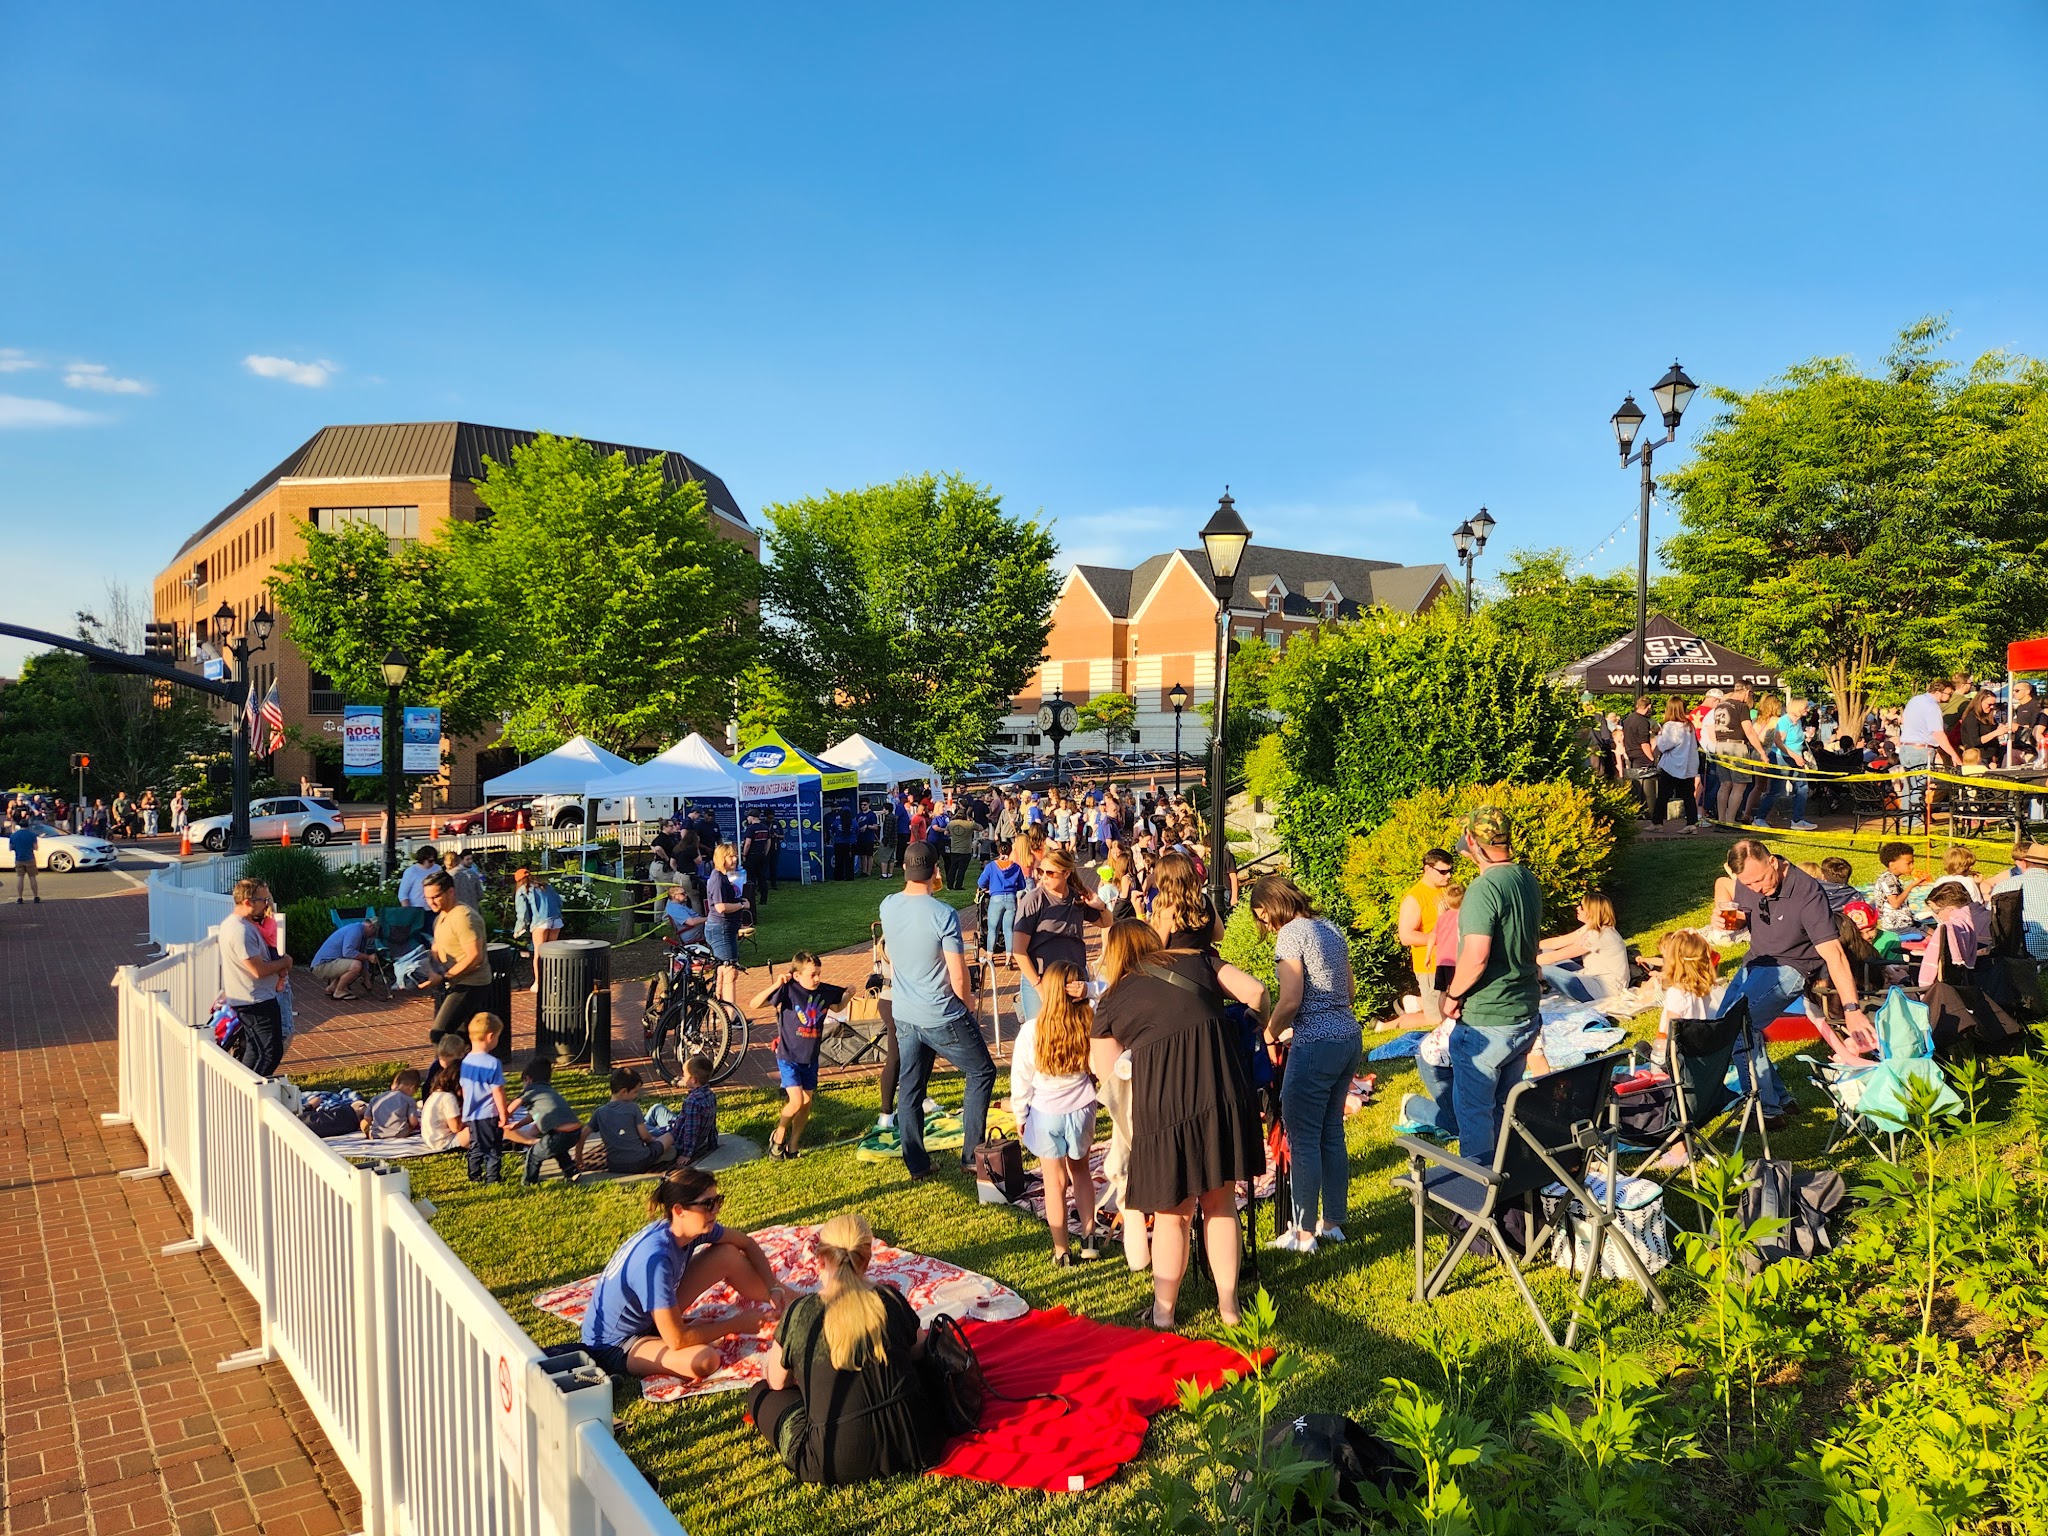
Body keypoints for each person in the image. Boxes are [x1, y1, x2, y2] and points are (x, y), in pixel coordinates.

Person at [1088, 918, 1266, 1330]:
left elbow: (1107, 1073)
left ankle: (1164, 1311)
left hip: (1163, 1110)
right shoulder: (1201, 963)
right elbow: (1256, 991)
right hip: (1219, 1093)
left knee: (1173, 1216)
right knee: (1220, 1205)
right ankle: (1229, 1307)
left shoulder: (1112, 1000)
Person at [746, 1212, 946, 1484]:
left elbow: (778, 1384)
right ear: (867, 1259)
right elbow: (920, 1353)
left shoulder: (800, 1313)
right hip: (916, 1440)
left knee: (760, 1393)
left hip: (832, 1459)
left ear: (819, 1260)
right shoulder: (889, 1298)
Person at [1409, 807, 1541, 1162]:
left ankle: (1482, 1200)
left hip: (1487, 1019)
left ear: (1471, 841)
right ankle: (1510, 1186)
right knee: (1502, 1107)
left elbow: (1477, 956)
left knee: (1475, 1115)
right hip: (1523, 1013)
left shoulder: (1484, 889)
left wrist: (1452, 995)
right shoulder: (1526, 878)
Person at [581, 1168, 786, 1382]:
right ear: (679, 1210)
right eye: (708, 1204)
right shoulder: (655, 1259)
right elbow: (677, 1339)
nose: (716, 1210)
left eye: (718, 1200)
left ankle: (790, 1302)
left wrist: (774, 1287)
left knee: (727, 1254)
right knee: (705, 1359)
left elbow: (746, 1243)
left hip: (649, 1319)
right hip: (614, 1345)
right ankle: (664, 1335)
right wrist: (737, 1324)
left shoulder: (686, 1229)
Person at [1723, 838, 1878, 1120]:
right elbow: (1744, 915)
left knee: (1736, 1027)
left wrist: (1852, 1009)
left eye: (1760, 880)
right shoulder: (1748, 879)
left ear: (1773, 861)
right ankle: (1780, 1100)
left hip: (1791, 967)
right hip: (1757, 960)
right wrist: (1731, 922)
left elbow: (1835, 955)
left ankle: (1765, 1112)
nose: (1757, 889)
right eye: (1749, 884)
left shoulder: (1807, 891)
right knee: (1725, 1024)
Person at [1252, 875, 1360, 1255]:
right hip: (1348, 1034)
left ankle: (1302, 1233)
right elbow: (1349, 990)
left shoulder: (1290, 934)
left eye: (1260, 917)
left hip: (1315, 1041)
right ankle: (1332, 1223)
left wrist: (1269, 1032)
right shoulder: (1329, 928)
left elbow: (1291, 997)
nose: (1262, 925)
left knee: (1303, 1137)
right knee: (1331, 1131)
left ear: (1266, 909)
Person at [879, 841, 998, 1180]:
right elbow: (958, 973)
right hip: (941, 1012)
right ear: (935, 871)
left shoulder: (888, 906)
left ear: (903, 868)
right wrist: (968, 1002)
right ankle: (972, 1156)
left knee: (912, 1087)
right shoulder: (943, 913)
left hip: (904, 1012)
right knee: (982, 1072)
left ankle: (916, 1163)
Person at [1008, 959, 1102, 1266]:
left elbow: (1020, 1078)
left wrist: (1020, 1114)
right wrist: (1091, 991)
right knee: (1082, 1173)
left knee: (1054, 1182)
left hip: (1045, 1111)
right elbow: (1112, 996)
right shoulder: (1090, 1021)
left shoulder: (1031, 1031)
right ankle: (1089, 1241)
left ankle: (1061, 1250)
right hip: (1082, 1106)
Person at [752, 952, 845, 1161]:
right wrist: (776, 985)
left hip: (810, 1058)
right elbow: (754, 1004)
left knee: (806, 1104)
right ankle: (779, 1135)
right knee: (796, 1100)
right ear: (796, 975)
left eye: (819, 974)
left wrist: (848, 994)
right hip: (788, 1056)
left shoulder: (824, 991)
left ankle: (793, 1145)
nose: (817, 979)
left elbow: (838, 1006)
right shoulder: (788, 990)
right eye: (812, 975)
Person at [1014, 847, 1112, 1019]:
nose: (1043, 877)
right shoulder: (1033, 900)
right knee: (1040, 1035)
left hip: (1074, 978)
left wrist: (1100, 906)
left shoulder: (1077, 898)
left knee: (1076, 1033)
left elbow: (1106, 922)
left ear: (1066, 873)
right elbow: (1019, 951)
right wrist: (1039, 987)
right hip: (1042, 978)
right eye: (1040, 871)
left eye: (1050, 873)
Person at [219, 878, 291, 1075]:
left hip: (252, 997)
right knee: (270, 1052)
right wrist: (285, 962)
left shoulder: (238, 925)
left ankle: (241, 1091)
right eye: (263, 900)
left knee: (254, 1048)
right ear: (248, 902)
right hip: (255, 1000)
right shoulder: (240, 931)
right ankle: (254, 1093)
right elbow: (257, 970)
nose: (267, 904)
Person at [422, 870, 494, 1049]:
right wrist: (426, 969)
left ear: (451, 892)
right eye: (427, 898)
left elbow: (475, 957)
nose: (431, 902)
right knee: (460, 1037)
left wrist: (445, 976)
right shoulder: (441, 917)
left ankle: (450, 1073)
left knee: (440, 1033)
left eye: (436, 896)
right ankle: (462, 1073)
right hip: (453, 981)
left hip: (472, 982)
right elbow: (437, 948)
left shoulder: (464, 917)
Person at [1536, 890, 1631, 1003]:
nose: (1577, 908)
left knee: (1545, 968)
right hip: (1590, 977)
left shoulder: (1600, 935)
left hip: (1603, 990)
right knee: (1546, 952)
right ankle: (1540, 985)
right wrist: (1527, 947)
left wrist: (1520, 962)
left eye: (1582, 906)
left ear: (1591, 911)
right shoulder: (1591, 928)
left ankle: (1531, 988)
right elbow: (1556, 943)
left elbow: (1555, 957)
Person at [506, 1055, 586, 1184]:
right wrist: (518, 1124)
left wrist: (504, 1116)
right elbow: (534, 1115)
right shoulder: (548, 1091)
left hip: (560, 1134)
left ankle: (528, 1182)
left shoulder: (532, 1089)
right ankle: (572, 1172)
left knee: (534, 1154)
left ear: (528, 1079)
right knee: (558, 1150)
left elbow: (516, 1103)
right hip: (575, 1131)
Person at [1396, 849, 1456, 1018]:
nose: (1448, 875)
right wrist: (1439, 938)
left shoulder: (1447, 890)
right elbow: (1406, 936)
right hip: (1432, 968)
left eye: (1451, 871)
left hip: (1454, 963)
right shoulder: (1414, 897)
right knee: (1438, 1019)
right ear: (1428, 869)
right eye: (1443, 871)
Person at [590, 1067, 676, 1174]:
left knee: (650, 1119)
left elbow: (584, 1133)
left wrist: (579, 1157)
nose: (636, 1095)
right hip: (639, 1161)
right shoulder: (632, 1108)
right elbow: (645, 1137)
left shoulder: (599, 1112)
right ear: (624, 1092)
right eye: (635, 1092)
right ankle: (662, 1153)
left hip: (614, 1165)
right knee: (669, 1137)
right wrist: (655, 1140)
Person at [458, 1013, 509, 1183]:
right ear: (490, 1037)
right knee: (493, 1147)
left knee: (476, 1145)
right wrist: (503, 1113)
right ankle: (493, 1178)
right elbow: (498, 1091)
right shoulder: (493, 1063)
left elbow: (464, 1088)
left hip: (471, 1113)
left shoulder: (466, 1061)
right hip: (488, 1113)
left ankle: (474, 1175)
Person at [1898, 677, 1958, 817]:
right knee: (1918, 787)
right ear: (1938, 692)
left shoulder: (1914, 700)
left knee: (1909, 787)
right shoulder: (1932, 706)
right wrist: (1953, 754)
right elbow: (1937, 733)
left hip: (1906, 748)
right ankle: (1916, 820)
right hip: (1921, 749)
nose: (1949, 697)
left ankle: (1907, 819)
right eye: (1948, 694)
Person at [703, 844, 747, 1005]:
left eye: (735, 855)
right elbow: (721, 907)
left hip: (725, 928)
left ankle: (718, 1008)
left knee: (722, 970)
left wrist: (739, 901)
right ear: (722, 859)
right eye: (730, 856)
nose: (735, 859)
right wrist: (742, 906)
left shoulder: (722, 877)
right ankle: (730, 1014)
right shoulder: (717, 879)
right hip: (721, 929)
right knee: (730, 971)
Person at [977, 841, 1028, 967]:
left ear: (999, 851)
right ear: (1010, 852)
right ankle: (1009, 957)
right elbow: (1022, 885)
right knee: (1008, 929)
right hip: (1011, 898)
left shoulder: (991, 866)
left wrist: (987, 887)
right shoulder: (1016, 867)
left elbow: (981, 882)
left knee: (993, 929)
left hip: (996, 898)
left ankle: (990, 955)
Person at [1652, 698, 1701, 830]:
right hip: (1688, 766)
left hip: (1672, 765)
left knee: (1663, 795)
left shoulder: (1670, 726)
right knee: (1688, 796)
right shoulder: (1689, 726)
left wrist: (1657, 735)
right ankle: (1691, 823)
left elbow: (1663, 746)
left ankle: (1657, 822)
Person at [513, 869, 565, 991]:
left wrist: (519, 930)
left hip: (540, 922)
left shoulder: (523, 890)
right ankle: (553, 980)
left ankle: (538, 982)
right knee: (552, 953)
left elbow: (522, 913)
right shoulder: (545, 885)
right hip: (556, 920)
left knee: (538, 953)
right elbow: (559, 902)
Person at [310, 911, 381, 1000]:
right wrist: (368, 957)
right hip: (321, 965)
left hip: (326, 963)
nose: (373, 936)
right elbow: (348, 953)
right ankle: (339, 991)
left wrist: (366, 979)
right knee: (356, 965)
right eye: (374, 933)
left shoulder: (361, 934)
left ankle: (332, 988)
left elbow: (361, 956)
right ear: (371, 926)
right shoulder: (356, 931)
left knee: (356, 962)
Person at [420, 1039, 469, 1152]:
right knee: (479, 1129)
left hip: (433, 1136)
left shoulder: (439, 1092)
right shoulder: (448, 1097)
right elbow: (456, 1127)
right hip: (444, 1141)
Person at [1871, 841, 1929, 933]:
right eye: (1908, 863)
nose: (1912, 867)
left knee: (1936, 933)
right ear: (1892, 865)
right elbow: (1895, 904)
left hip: (1905, 921)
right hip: (1896, 925)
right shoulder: (1887, 879)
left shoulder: (1893, 878)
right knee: (1931, 940)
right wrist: (1912, 885)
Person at [674, 1054, 720, 1163]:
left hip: (679, 1140)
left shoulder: (692, 1101)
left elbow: (691, 1129)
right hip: (696, 1138)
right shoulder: (710, 1095)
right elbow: (712, 1122)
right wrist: (713, 1143)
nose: (682, 1077)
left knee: (651, 1122)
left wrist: (686, 1154)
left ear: (693, 1080)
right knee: (658, 1109)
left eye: (684, 1075)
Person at [1617, 695, 1659, 815]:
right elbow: (1644, 743)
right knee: (1648, 787)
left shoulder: (1628, 719)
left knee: (1636, 787)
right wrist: (1652, 759)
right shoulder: (1643, 722)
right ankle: (1649, 812)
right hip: (1642, 756)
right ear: (1649, 706)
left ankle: (1637, 811)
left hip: (1631, 754)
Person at [359, 1067, 423, 1139]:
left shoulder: (376, 1098)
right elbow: (413, 1122)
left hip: (377, 1135)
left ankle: (369, 1133)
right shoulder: (409, 1100)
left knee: (363, 1123)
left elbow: (367, 1118)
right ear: (412, 1087)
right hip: (399, 1134)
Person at [945, 807, 976, 893]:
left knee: (953, 868)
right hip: (965, 849)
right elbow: (980, 828)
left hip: (954, 848)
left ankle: (949, 885)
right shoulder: (969, 824)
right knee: (962, 869)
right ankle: (958, 885)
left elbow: (946, 833)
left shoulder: (951, 823)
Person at [10, 820, 40, 903]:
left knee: (20, 878)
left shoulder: (13, 835)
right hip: (30, 858)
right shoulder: (32, 835)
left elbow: (10, 848)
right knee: (32, 877)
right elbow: (36, 848)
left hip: (19, 859)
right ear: (28, 825)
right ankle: (36, 896)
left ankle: (20, 897)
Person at [854, 801, 879, 878]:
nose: (863, 806)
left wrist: (867, 826)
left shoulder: (872, 815)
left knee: (869, 855)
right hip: (860, 837)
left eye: (864, 805)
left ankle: (869, 872)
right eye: (861, 805)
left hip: (869, 837)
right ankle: (864, 871)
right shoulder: (858, 815)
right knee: (862, 855)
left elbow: (876, 827)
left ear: (868, 805)